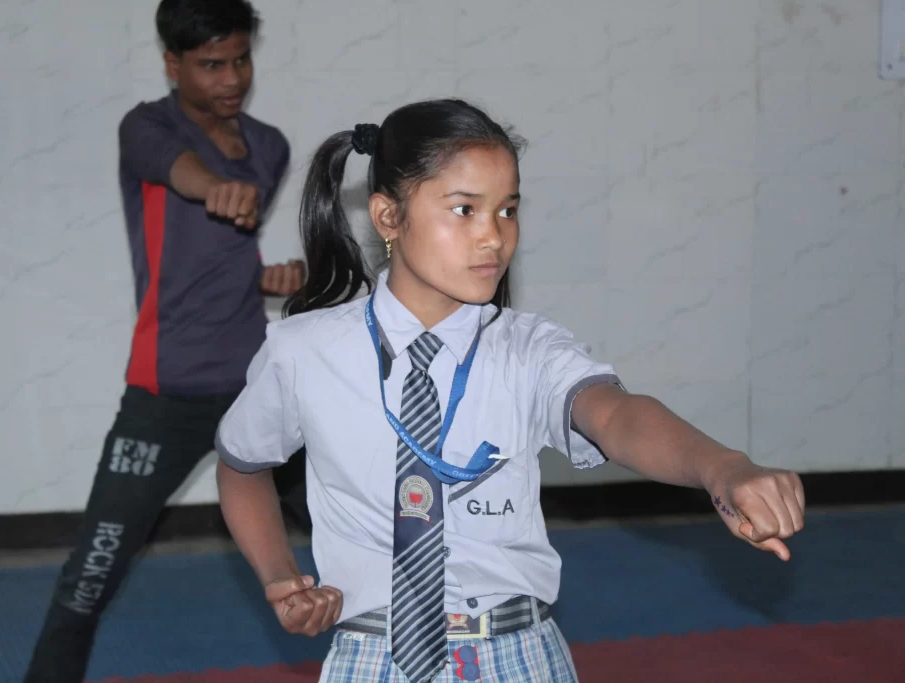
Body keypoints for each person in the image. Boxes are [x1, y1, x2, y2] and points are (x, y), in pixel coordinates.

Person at [213, 99, 807, 683]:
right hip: (373, 658)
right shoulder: (303, 351)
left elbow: (619, 416)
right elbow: (241, 465)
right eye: (465, 210)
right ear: (389, 218)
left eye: (508, 211)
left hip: (516, 657)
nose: (493, 237)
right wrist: (278, 575)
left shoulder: (530, 350)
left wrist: (721, 467)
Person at [22, 1, 308, 681]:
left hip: (253, 383)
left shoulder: (270, 146)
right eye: (211, 64)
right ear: (172, 64)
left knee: (358, 529)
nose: (231, 77)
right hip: (166, 389)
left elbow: (215, 256)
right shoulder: (147, 127)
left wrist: (271, 278)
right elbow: (181, 173)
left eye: (240, 59)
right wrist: (216, 190)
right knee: (90, 575)